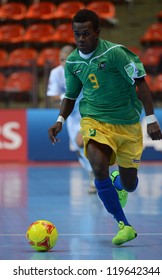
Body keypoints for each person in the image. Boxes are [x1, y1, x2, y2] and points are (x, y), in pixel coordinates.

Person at [48, 9, 162, 246]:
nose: (81, 39)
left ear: (97, 33)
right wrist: (60, 120)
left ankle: (119, 182)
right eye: (77, 34)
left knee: (130, 185)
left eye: (86, 34)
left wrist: (150, 118)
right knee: (98, 165)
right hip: (94, 120)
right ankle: (124, 224)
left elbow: (140, 82)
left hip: (128, 124)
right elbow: (70, 96)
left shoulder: (116, 54)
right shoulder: (72, 62)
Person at [47, 45, 96, 194]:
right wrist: (65, 99)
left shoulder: (84, 69)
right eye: (61, 60)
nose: (64, 63)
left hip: (87, 110)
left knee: (84, 141)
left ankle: (97, 175)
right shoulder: (56, 73)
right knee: (79, 148)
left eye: (67, 59)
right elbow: (53, 96)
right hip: (71, 115)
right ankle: (93, 173)